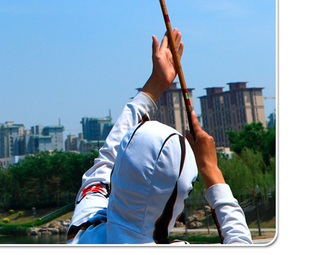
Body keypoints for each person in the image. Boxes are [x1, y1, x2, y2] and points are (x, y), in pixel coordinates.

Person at [67, 30, 252, 245]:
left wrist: (155, 83)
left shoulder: (83, 232)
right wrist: (211, 170)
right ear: (178, 196)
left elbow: (107, 160)